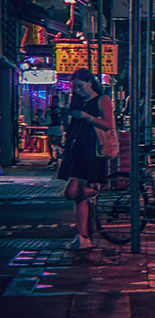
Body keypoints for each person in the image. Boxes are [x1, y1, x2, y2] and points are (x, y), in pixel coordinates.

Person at [58, 68, 116, 249]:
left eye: (79, 86)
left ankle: (95, 193)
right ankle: (83, 237)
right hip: (76, 151)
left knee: (72, 192)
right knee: (78, 198)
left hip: (92, 151)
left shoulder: (102, 100)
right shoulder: (78, 101)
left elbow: (108, 125)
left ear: (89, 82)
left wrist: (86, 116)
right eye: (73, 87)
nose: (76, 90)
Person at [46, 96, 63, 168]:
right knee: (49, 142)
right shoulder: (49, 109)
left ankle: (56, 156)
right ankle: (52, 157)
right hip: (51, 126)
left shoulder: (59, 109)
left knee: (57, 143)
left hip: (57, 126)